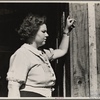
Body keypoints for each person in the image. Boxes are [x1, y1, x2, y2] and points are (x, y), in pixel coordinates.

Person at [6, 13, 75, 97]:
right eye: (43, 32)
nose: (47, 35)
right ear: (32, 32)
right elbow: (13, 86)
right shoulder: (23, 54)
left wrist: (66, 31)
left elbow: (62, 51)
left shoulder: (42, 53)